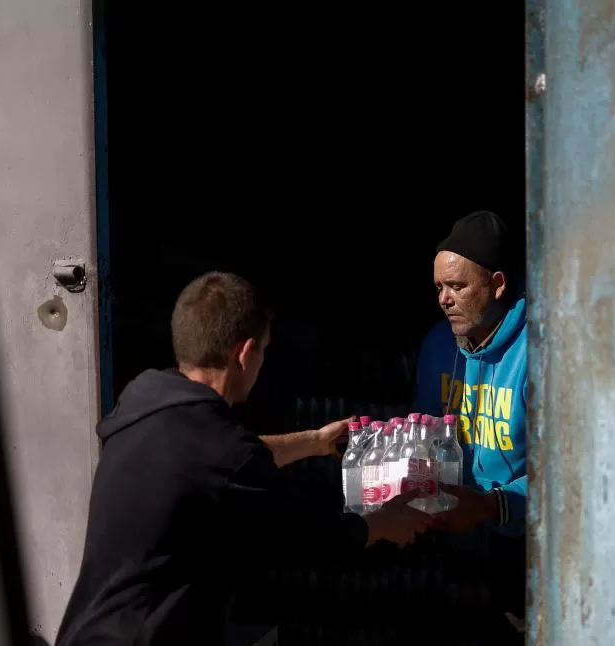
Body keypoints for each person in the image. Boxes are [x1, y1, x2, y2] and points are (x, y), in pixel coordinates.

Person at [56, 271, 431, 646]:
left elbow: (217, 460)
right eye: (264, 350)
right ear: (245, 353)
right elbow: (305, 533)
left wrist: (314, 442)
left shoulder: (147, 398)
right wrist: (380, 523)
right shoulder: (222, 452)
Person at [413, 210, 528, 640]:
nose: (444, 299)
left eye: (457, 286)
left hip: (520, 547)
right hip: (450, 548)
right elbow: (423, 431)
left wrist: (488, 506)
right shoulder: (438, 345)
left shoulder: (539, 350)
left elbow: (569, 479)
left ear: (496, 284)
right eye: (439, 287)